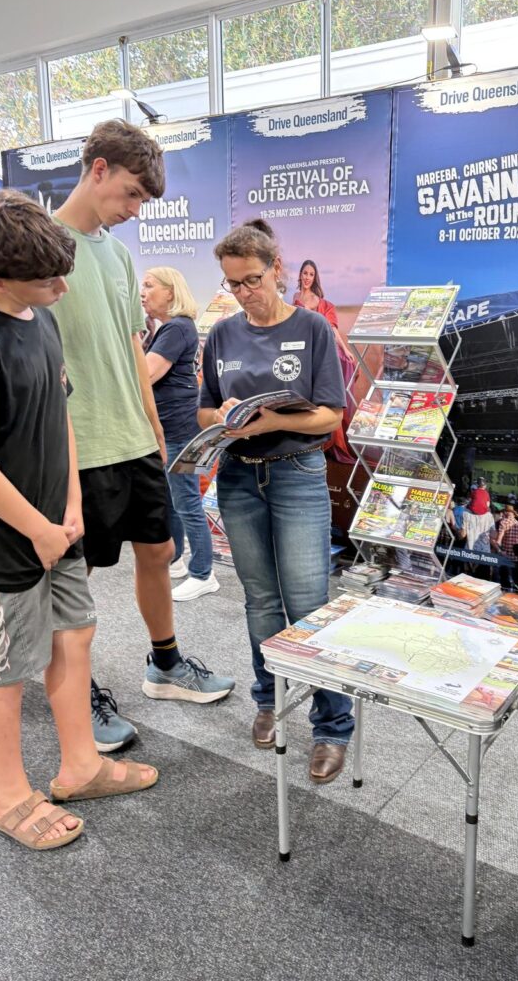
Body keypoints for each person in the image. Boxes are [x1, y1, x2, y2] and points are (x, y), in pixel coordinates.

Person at [0, 190, 156, 850]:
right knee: (3, 667)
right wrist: (38, 528)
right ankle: (9, 796)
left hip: (57, 526)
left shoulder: (40, 317)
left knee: (75, 636)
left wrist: (69, 508)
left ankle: (81, 765)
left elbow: (59, 414)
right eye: (48, 277)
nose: (61, 285)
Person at [52, 120, 234, 752]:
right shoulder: (42, 246)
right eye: (130, 194)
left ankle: (165, 664)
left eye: (142, 202)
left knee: (157, 552)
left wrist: (155, 429)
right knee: (75, 583)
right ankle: (79, 697)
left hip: (134, 438)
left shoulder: (120, 254)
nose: (133, 211)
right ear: (97, 168)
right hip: (76, 445)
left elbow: (134, 348)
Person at [200, 222, 354, 784]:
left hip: (296, 475)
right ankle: (269, 698)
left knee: (311, 604)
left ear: (278, 269)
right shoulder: (221, 334)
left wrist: (269, 419)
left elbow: (329, 415)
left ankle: (332, 726)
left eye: (252, 280)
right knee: (260, 600)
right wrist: (223, 421)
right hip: (239, 476)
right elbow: (203, 411)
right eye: (233, 283)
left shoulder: (312, 327)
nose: (244, 292)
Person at [140, 266, 219, 602]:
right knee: (172, 498)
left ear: (170, 292)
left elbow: (145, 374)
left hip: (180, 427)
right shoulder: (168, 329)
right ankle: (176, 559)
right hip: (173, 426)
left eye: (149, 285)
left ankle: (204, 572)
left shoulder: (176, 328)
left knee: (185, 499)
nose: (142, 292)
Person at [292, 256, 356, 463]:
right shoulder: (295, 298)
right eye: (305, 273)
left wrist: (345, 349)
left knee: (338, 369)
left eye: (311, 274)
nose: (307, 277)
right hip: (302, 350)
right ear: (300, 275)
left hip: (322, 348)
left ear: (315, 277)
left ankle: (332, 439)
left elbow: (332, 329)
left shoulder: (323, 304)